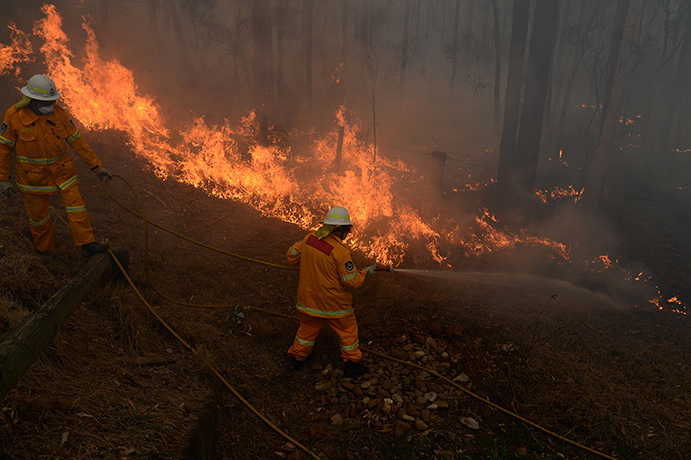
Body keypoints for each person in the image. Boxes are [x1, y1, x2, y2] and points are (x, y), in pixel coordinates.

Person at [0, 74, 111, 258]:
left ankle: (87, 244)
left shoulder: (59, 114)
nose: (49, 106)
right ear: (31, 100)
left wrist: (96, 167)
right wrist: (3, 179)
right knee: (39, 219)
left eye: (52, 101)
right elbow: (4, 149)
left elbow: (77, 142)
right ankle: (46, 252)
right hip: (32, 180)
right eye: (45, 102)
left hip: (63, 174)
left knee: (77, 208)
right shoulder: (14, 117)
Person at [286, 205, 377, 379]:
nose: (349, 233)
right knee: (348, 330)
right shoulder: (340, 252)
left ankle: (296, 359)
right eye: (348, 230)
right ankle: (351, 365)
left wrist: (308, 263)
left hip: (308, 302)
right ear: (340, 229)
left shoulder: (310, 239)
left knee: (306, 331)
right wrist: (366, 272)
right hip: (334, 305)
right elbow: (352, 281)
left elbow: (291, 256)